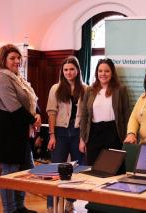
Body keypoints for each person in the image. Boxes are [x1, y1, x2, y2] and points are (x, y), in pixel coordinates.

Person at [0, 44, 41, 213]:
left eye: (18, 57)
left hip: (22, 135)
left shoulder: (18, 77)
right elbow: (14, 108)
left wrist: (38, 113)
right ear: (3, 60)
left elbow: (32, 99)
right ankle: (10, 210)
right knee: (9, 174)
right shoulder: (2, 78)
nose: (17, 61)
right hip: (8, 137)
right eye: (12, 58)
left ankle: (20, 207)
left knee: (25, 172)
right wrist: (34, 119)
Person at [46, 56, 86, 213]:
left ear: (77, 70)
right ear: (62, 72)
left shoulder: (85, 89)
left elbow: (86, 115)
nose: (69, 72)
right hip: (60, 133)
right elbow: (51, 112)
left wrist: (83, 138)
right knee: (54, 171)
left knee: (75, 170)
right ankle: (51, 205)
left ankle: (70, 202)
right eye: (66, 70)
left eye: (72, 69)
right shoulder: (55, 88)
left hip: (77, 134)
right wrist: (52, 135)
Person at [79, 58, 130, 166]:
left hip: (113, 133)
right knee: (94, 168)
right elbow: (84, 116)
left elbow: (126, 115)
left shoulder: (120, 89)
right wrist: (82, 139)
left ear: (112, 73)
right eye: (100, 71)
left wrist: (126, 136)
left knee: (113, 168)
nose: (103, 74)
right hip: (94, 133)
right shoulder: (90, 90)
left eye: (107, 71)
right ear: (96, 73)